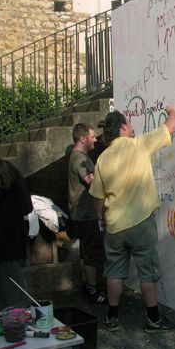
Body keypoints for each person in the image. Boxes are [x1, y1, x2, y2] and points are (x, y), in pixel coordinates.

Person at [89, 106, 175, 332]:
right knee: (147, 270)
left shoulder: (102, 158)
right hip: (140, 222)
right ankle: (153, 318)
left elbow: (98, 197)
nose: (132, 127)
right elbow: (170, 127)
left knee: (114, 271)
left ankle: (112, 318)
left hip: (115, 226)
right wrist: (173, 111)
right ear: (122, 127)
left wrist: (100, 217)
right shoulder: (139, 144)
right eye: (129, 123)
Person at [68, 123, 108, 304]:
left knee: (85, 251)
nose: (96, 139)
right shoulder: (79, 158)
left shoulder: (78, 156)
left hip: (81, 214)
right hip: (86, 214)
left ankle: (87, 286)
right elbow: (91, 182)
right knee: (92, 252)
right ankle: (93, 290)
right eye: (93, 136)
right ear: (83, 138)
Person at [0, 158, 33, 308]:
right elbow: (26, 206)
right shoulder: (9, 170)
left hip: (6, 246)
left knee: (13, 303)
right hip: (9, 243)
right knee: (14, 301)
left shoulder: (7, 170)